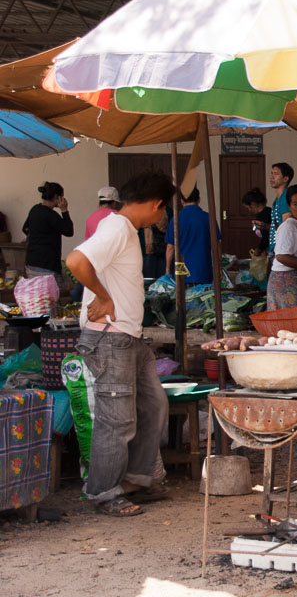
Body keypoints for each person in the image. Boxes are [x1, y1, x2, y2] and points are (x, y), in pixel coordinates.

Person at [64, 172, 177, 517]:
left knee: (154, 405)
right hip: (110, 338)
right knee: (117, 419)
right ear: (157, 205)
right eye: (164, 211)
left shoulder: (123, 229)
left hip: (129, 337)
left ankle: (135, 480)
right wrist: (103, 297)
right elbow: (75, 261)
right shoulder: (117, 228)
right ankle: (104, 491)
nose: (163, 218)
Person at [164, 187, 217, 285]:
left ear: (181, 201)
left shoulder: (175, 219)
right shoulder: (208, 218)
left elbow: (170, 247)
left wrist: (167, 271)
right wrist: (218, 267)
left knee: (183, 298)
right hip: (204, 269)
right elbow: (216, 245)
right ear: (199, 200)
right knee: (204, 298)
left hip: (181, 269)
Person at [22, 181, 73, 280]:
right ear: (56, 197)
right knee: (48, 294)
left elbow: (25, 228)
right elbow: (69, 231)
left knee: (36, 294)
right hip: (47, 264)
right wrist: (64, 210)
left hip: (31, 262)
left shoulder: (35, 209)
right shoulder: (51, 215)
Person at [268, 162, 294, 253]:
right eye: (271, 173)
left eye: (276, 174)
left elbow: (286, 225)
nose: (272, 177)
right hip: (277, 247)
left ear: (285, 178)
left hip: (282, 248)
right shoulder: (278, 199)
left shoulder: (285, 197)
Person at [241, 187, 272, 255]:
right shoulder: (269, 210)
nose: (248, 211)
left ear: (252, 204)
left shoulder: (262, 217)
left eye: (247, 208)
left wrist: (259, 249)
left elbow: (267, 236)